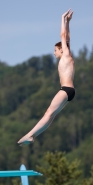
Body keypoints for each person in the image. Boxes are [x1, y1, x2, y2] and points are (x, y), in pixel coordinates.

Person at [18, 9, 75, 146]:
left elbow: (63, 36)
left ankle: (30, 134)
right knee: (51, 115)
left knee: (49, 112)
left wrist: (62, 19)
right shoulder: (67, 56)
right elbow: (67, 38)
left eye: (55, 50)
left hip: (66, 89)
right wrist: (68, 22)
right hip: (70, 91)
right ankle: (33, 135)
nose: (54, 53)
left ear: (61, 50)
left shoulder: (66, 55)